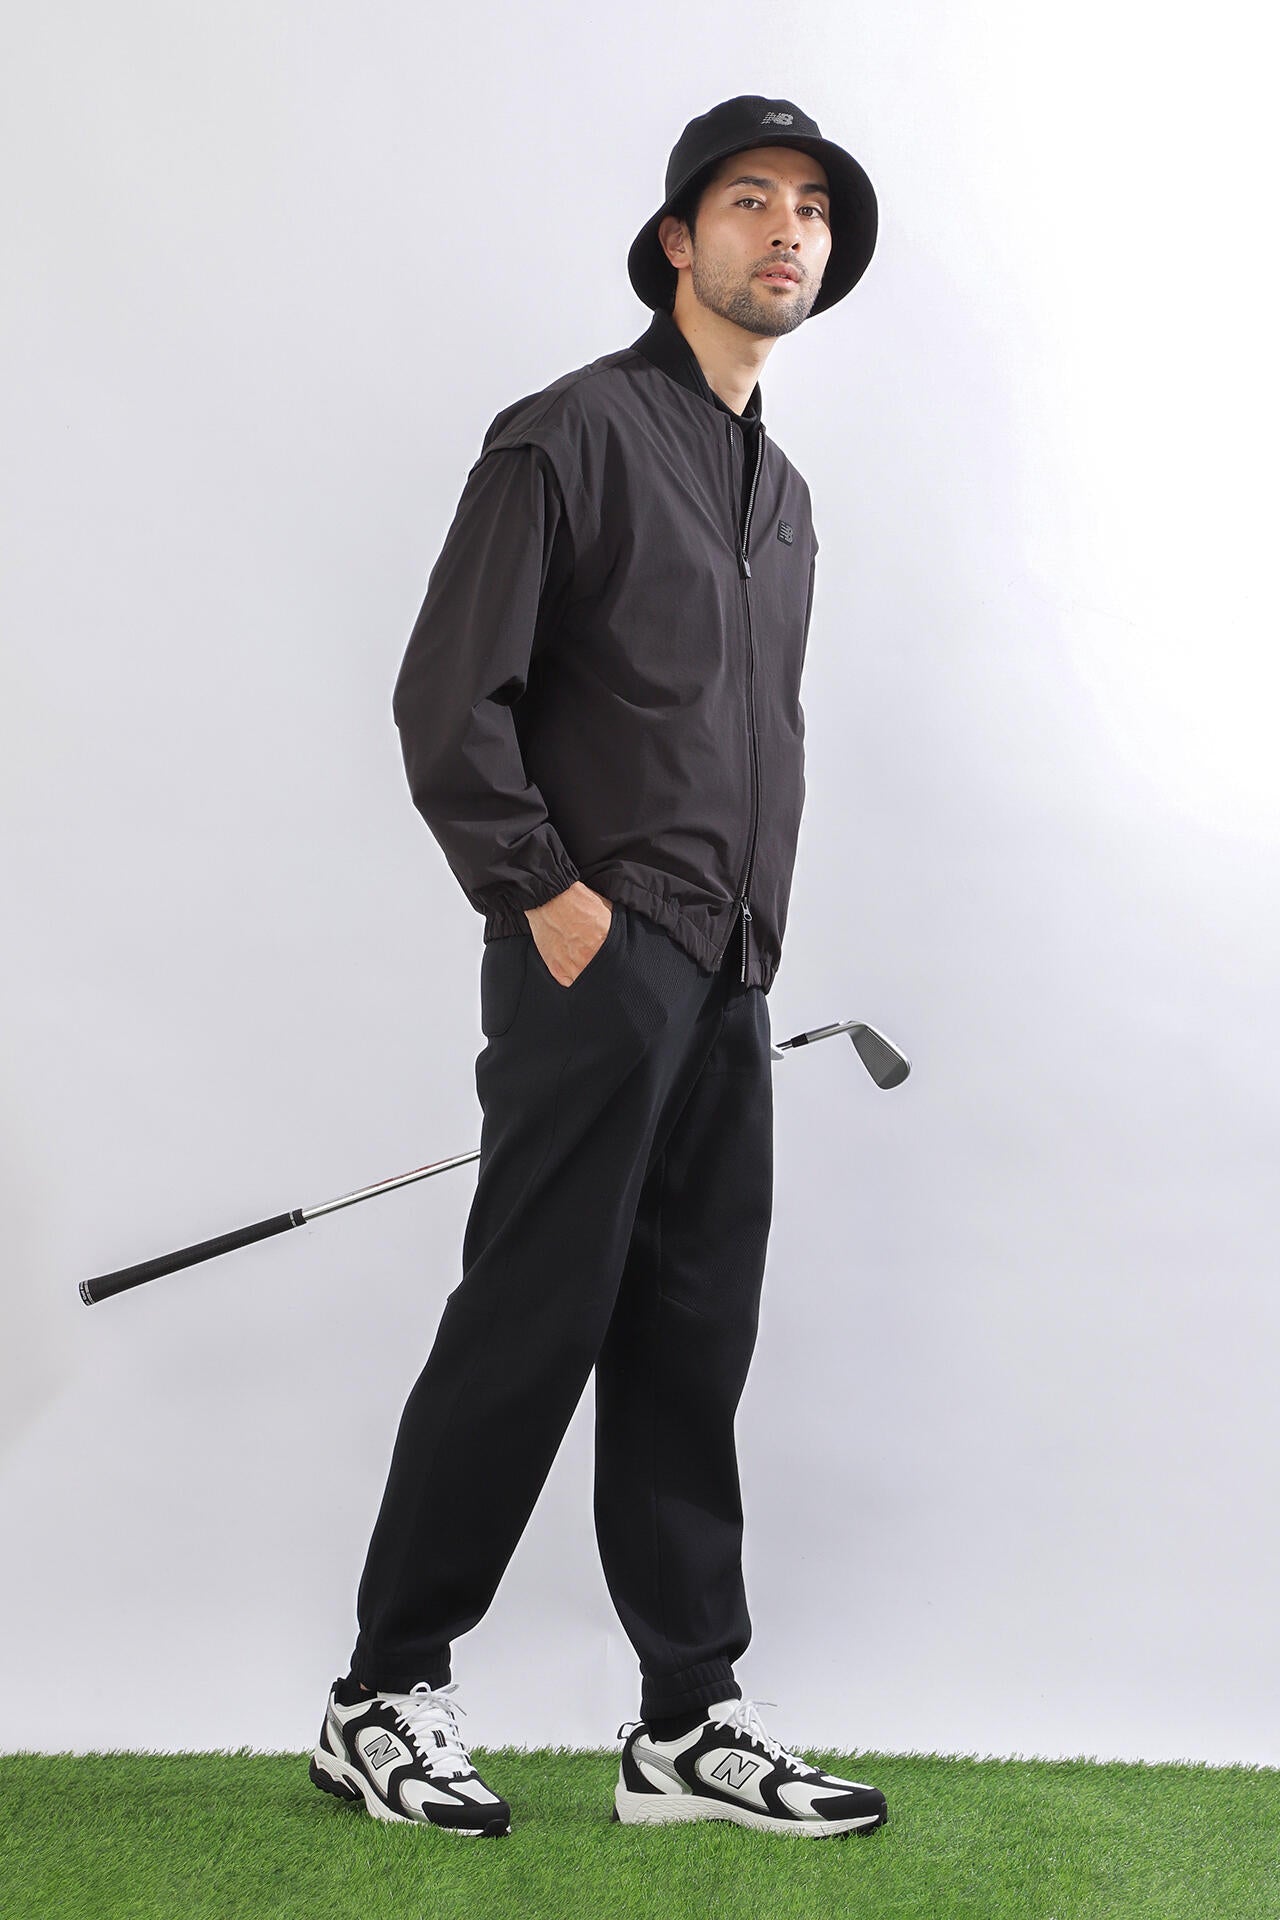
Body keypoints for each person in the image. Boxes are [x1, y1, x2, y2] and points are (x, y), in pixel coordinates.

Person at [309, 94, 889, 1841]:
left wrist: (747, 945)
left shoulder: (783, 496)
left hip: (728, 974)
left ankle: (686, 1719)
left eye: (811, 209)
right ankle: (383, 1692)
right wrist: (551, 902)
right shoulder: (567, 434)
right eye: (749, 201)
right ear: (677, 241)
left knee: (691, 1335)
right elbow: (448, 703)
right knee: (531, 1318)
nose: (787, 231)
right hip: (596, 958)